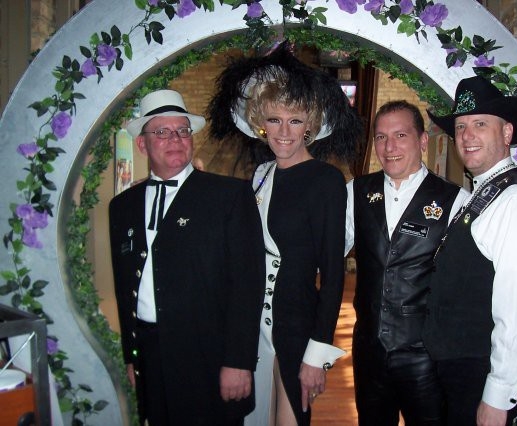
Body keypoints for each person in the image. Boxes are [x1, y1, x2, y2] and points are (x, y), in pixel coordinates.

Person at [206, 44, 362, 426]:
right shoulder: (260, 175)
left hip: (296, 327)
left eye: (295, 121)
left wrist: (317, 354)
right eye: (274, 120)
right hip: (251, 327)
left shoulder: (326, 181)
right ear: (261, 123)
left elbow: (333, 275)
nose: (284, 132)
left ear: (310, 125)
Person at [109, 89, 265, 425]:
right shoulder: (121, 207)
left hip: (209, 355)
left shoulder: (228, 196)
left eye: (182, 131)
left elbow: (247, 284)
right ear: (142, 144)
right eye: (162, 132)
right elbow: (125, 287)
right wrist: (131, 358)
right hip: (151, 353)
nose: (175, 139)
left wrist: (238, 361)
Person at [424, 75, 517, 425]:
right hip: (458, 373)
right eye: (461, 127)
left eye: (480, 124)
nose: (467, 136)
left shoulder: (516, 201)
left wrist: (498, 396)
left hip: (479, 378)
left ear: (507, 133)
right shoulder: (487, 193)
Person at [344, 100, 467, 425]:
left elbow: (475, 271)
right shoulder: (356, 191)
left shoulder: (455, 200)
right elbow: (326, 252)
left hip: (425, 355)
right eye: (381, 137)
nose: (390, 147)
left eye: (400, 135)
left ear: (422, 140)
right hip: (369, 351)